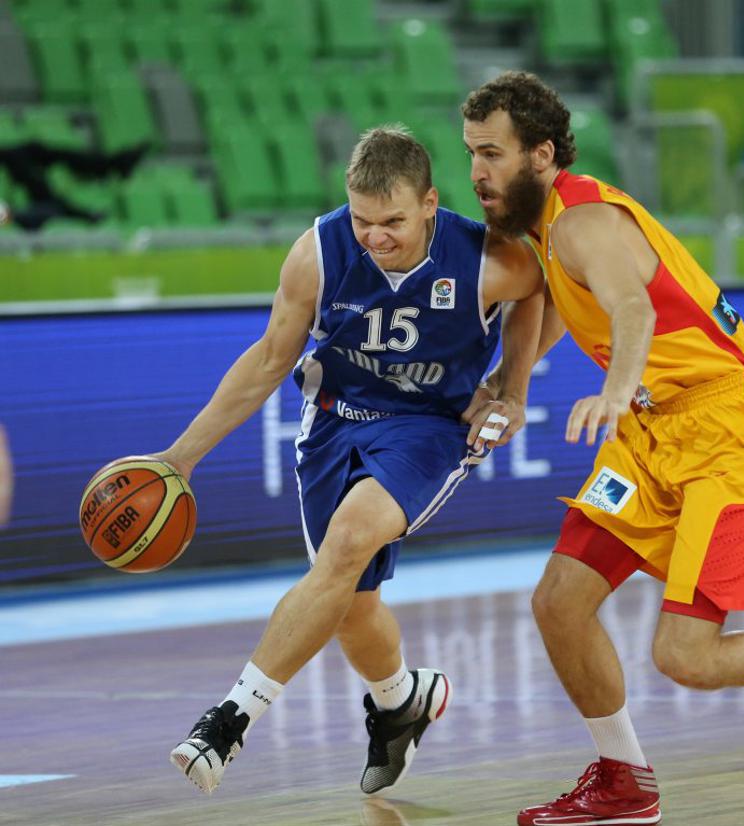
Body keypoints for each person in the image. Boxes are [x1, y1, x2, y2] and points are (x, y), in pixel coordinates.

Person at [461, 71, 744, 826]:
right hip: (649, 435)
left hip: (726, 434)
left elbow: (631, 309)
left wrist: (612, 390)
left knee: (685, 658)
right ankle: (624, 782)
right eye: (471, 152)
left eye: (491, 153)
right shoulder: (543, 229)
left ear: (541, 154)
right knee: (559, 603)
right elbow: (561, 299)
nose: (476, 170)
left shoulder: (584, 221)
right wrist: (510, 385)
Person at [155, 126, 543, 795]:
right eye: (363, 221)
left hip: (428, 426)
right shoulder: (318, 252)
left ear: (429, 203)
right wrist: (178, 459)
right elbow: (268, 360)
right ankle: (401, 703)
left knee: (348, 542)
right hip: (334, 421)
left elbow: (539, 289)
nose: (375, 237)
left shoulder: (485, 259)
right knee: (349, 602)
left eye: (392, 222)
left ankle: (229, 721)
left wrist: (511, 388)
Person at [0, 140, 147, 231]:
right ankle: (113, 164)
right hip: (31, 211)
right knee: (51, 204)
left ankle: (112, 163)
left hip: (38, 205)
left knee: (36, 150)